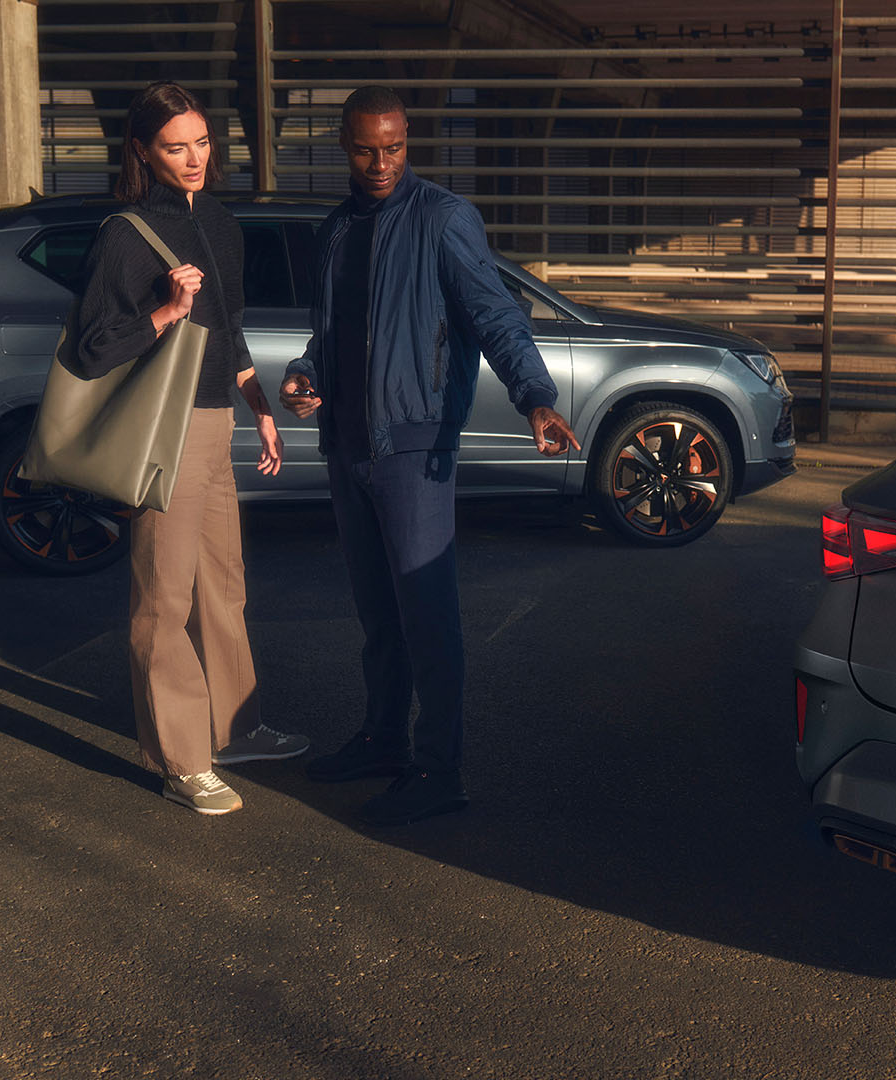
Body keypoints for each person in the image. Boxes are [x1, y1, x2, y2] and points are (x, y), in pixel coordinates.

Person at [281, 85, 580, 828]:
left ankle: (439, 770)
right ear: (341, 145)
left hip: (414, 447)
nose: (381, 163)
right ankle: (384, 739)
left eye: (395, 147)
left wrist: (536, 396)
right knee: (378, 616)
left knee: (427, 617)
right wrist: (305, 376)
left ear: (409, 141)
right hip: (348, 445)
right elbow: (332, 336)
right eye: (364, 148)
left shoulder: (444, 219)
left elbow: (495, 314)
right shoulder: (336, 230)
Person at [71, 80, 307, 815]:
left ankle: (237, 727)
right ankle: (183, 759)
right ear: (143, 150)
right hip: (162, 428)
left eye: (202, 141)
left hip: (216, 422)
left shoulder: (223, 225)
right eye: (176, 146)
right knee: (163, 598)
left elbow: (231, 332)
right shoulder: (126, 232)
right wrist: (166, 311)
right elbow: (90, 347)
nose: (194, 156)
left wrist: (260, 407)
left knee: (223, 584)